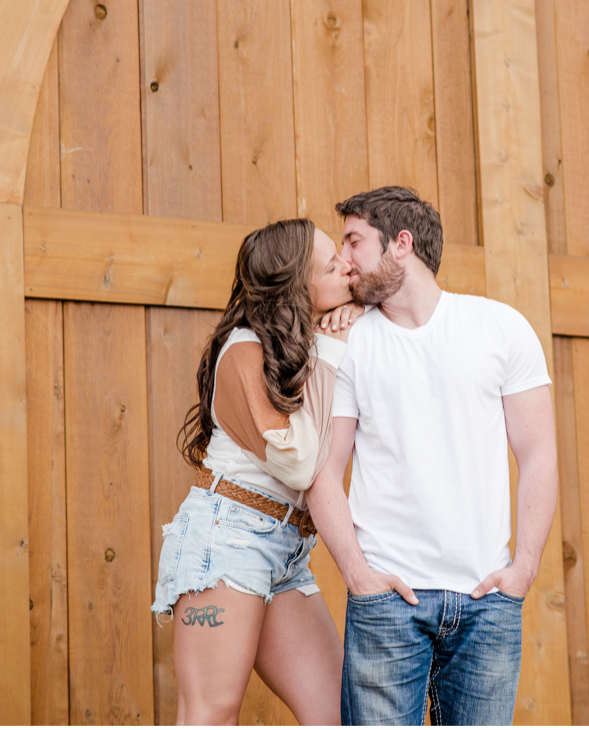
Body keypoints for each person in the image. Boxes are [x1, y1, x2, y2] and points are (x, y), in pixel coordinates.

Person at [305, 186, 557, 726]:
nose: (343, 260)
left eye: (353, 241)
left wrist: (525, 568)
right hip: (387, 605)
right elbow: (322, 470)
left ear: (401, 243)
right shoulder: (348, 342)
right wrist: (357, 575)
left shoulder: (502, 328)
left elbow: (538, 454)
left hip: (488, 604)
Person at [153, 217, 363, 725]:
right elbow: (299, 462)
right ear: (295, 286)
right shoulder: (244, 349)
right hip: (227, 542)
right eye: (332, 266)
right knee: (210, 714)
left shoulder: (299, 345)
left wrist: (337, 326)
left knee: (337, 713)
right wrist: (332, 346)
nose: (348, 270)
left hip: (286, 552)